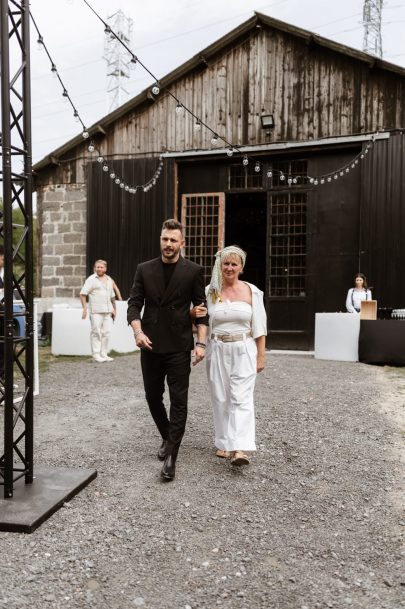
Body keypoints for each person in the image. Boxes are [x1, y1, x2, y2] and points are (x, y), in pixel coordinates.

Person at [127, 218, 208, 482]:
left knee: (179, 401)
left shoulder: (193, 271)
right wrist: (138, 332)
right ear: (160, 240)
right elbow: (134, 304)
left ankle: (172, 455)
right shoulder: (144, 269)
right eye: (165, 239)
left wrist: (201, 344)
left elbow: (202, 311)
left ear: (181, 243)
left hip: (179, 345)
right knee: (152, 396)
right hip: (149, 343)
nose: (169, 244)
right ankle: (167, 435)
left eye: (174, 240)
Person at [194, 245, 267, 467]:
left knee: (241, 397)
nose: (229, 267)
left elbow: (260, 325)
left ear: (241, 268)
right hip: (217, 348)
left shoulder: (252, 291)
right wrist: (200, 343)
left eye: (234, 264)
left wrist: (261, 356)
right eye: (226, 263)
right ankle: (224, 442)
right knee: (220, 395)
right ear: (220, 265)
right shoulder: (210, 291)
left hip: (244, 348)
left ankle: (240, 448)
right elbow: (202, 321)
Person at [80, 259, 119, 363]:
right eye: (97, 267)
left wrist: (114, 309)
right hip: (96, 311)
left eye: (101, 267)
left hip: (107, 311)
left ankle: (104, 354)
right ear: (95, 268)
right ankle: (96, 355)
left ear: (105, 268)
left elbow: (112, 296)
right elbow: (83, 294)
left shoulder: (109, 280)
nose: (99, 269)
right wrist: (84, 308)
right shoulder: (91, 279)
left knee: (106, 332)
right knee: (96, 332)